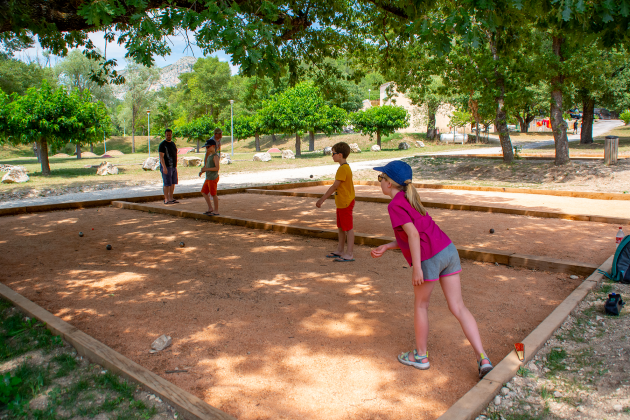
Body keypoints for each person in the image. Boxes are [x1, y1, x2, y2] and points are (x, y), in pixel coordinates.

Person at [370, 160, 493, 379]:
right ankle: (483, 358)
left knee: (421, 306)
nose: (380, 182)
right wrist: (389, 246)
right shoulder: (411, 198)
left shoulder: (395, 205)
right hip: (448, 250)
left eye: (381, 178)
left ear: (389, 183)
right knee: (458, 307)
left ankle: (420, 357)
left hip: (429, 259)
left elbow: (415, 235)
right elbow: (415, 233)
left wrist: (417, 268)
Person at [315, 142, 355, 262]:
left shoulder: (343, 169)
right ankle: (340, 250)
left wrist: (322, 199)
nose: (332, 155)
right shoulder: (343, 168)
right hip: (342, 203)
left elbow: (334, 186)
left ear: (340, 154)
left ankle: (349, 253)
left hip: (346, 202)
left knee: (348, 228)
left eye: (333, 153)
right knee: (341, 227)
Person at [199, 138, 220, 216]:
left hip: (213, 178)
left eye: (208, 147)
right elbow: (208, 166)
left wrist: (206, 169)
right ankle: (210, 207)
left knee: (213, 194)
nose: (207, 148)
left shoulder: (215, 156)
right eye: (206, 147)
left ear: (213, 146)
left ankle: (216, 210)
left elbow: (217, 168)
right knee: (204, 192)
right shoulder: (209, 156)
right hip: (208, 177)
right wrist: (202, 171)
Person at [159, 128, 178, 204]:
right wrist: (164, 167)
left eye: (170, 135)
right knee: (167, 183)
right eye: (167, 135)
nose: (168, 136)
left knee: (173, 182)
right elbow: (161, 157)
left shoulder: (173, 144)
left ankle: (171, 197)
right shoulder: (162, 145)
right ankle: (166, 199)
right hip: (166, 166)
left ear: (171, 135)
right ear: (165, 135)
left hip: (173, 166)